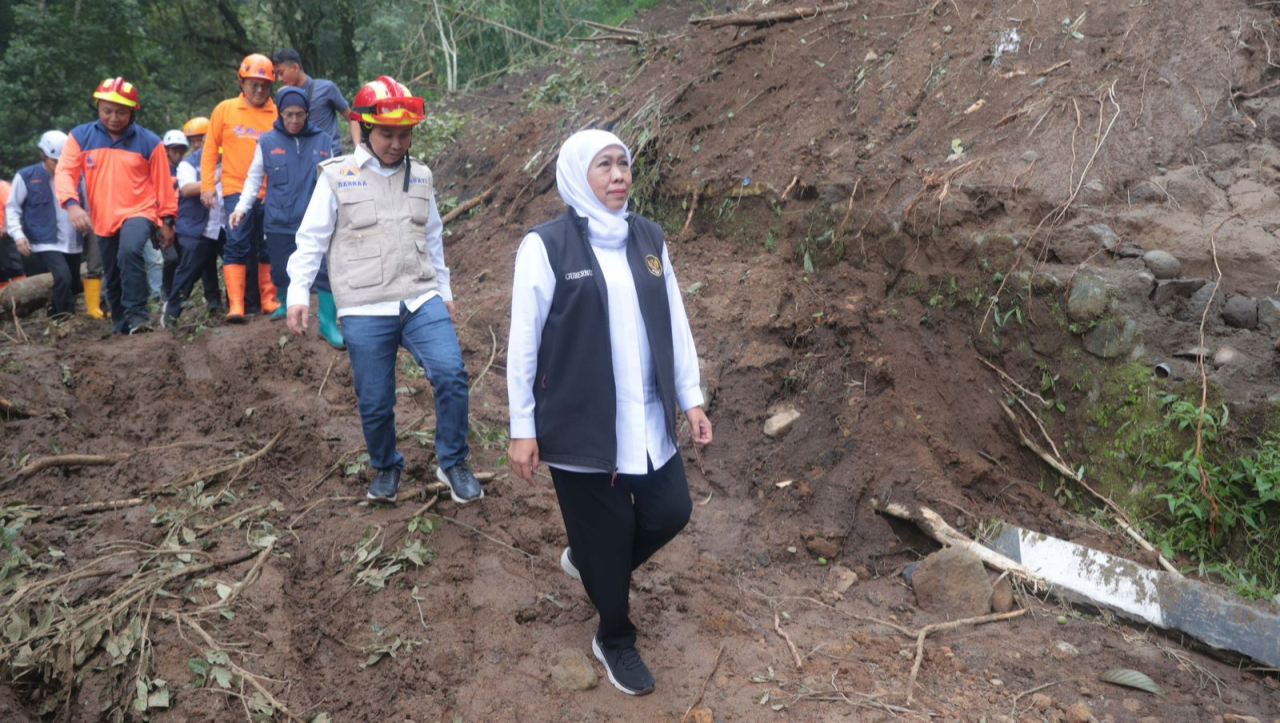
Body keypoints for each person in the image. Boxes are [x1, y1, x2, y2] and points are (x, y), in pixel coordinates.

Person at [506, 130, 714, 697]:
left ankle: (591, 560)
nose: (619, 175)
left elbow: (675, 319)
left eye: (624, 164)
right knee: (613, 529)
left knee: (671, 510)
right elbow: (523, 342)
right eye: (605, 165)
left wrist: (689, 397)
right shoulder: (545, 247)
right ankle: (615, 637)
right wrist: (521, 427)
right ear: (578, 174)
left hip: (646, 418)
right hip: (580, 424)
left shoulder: (647, 238)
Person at [285, 75, 482, 505]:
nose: (396, 143)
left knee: (450, 374)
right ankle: (386, 466)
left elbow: (433, 237)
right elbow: (312, 238)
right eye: (388, 133)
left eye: (405, 134)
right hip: (363, 303)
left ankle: (452, 461)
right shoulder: (338, 175)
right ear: (365, 127)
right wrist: (298, 292)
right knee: (375, 401)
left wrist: (444, 289)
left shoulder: (423, 177)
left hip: (419, 295)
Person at [55, 77, 177, 334]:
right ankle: (121, 325)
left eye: (121, 112)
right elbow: (65, 172)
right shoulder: (80, 137)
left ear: (133, 111)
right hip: (102, 217)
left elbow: (164, 184)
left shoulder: (150, 141)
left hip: (140, 210)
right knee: (111, 272)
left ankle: (139, 317)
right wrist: (72, 205)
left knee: (129, 252)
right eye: (107, 110)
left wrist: (167, 222)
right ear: (97, 107)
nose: (113, 117)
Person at [229, 86, 343, 346]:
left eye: (299, 115)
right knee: (280, 270)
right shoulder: (267, 142)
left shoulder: (323, 140)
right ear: (280, 113)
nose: (294, 121)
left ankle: (327, 323)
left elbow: (337, 179)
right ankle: (283, 302)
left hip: (316, 220)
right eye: (288, 115)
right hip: (280, 220)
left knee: (326, 270)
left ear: (307, 114)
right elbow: (254, 179)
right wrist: (241, 207)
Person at [202, 53, 277, 323]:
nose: (258, 90)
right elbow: (210, 150)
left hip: (270, 191)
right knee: (236, 242)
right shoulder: (225, 110)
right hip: (235, 188)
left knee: (268, 245)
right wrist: (208, 185)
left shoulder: (277, 114)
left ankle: (268, 299)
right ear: (241, 82)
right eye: (253, 84)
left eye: (264, 85)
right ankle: (236, 305)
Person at [4, 131, 86, 317]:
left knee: (72, 282)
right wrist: (18, 235)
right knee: (62, 276)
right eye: (55, 161)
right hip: (44, 240)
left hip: (73, 240)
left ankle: (53, 313)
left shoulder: (78, 176)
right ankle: (65, 318)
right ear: (43, 155)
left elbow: (87, 206)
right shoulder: (26, 176)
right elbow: (13, 208)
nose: (60, 165)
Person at [164, 121, 226, 326]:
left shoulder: (232, 157)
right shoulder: (189, 163)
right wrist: (215, 178)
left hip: (226, 224)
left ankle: (237, 306)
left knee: (238, 263)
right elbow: (188, 189)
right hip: (195, 226)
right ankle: (171, 316)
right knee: (188, 271)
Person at [271, 48, 354, 155]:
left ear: (295, 67)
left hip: (330, 157)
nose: (280, 79)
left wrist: (358, 149)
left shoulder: (326, 88)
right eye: (276, 74)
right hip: (303, 160)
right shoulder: (284, 98)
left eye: (281, 73)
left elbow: (352, 118)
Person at [157, 129, 190, 302]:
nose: (178, 154)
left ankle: (178, 294)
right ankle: (165, 292)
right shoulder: (160, 170)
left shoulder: (186, 169)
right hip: (163, 222)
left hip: (182, 221)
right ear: (167, 150)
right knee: (171, 258)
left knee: (183, 259)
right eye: (174, 150)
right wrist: (165, 221)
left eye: (181, 151)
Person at [0, 179, 25, 290]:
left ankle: (23, 294)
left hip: (3, 234)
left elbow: (10, 207)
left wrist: (6, 226)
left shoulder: (2, 186)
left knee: (13, 267)